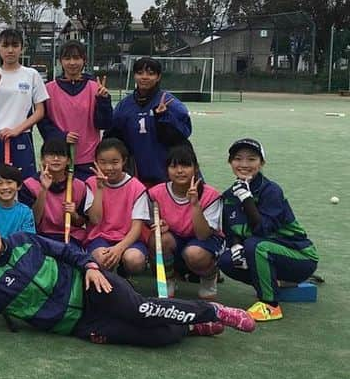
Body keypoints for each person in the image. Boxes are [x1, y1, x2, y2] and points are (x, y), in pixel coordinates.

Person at [0, 214, 256, 345]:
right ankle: (192, 327)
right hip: (79, 325)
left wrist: (91, 267)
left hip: (91, 288)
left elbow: (67, 251)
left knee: (140, 310)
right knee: (162, 337)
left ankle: (214, 312)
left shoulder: (22, 239)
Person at [217, 138, 319, 322]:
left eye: (252, 159)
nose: (244, 164)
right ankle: (276, 283)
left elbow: (262, 229)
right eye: (238, 159)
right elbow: (232, 232)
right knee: (226, 260)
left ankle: (270, 304)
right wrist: (235, 247)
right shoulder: (229, 195)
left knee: (256, 246)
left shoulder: (271, 191)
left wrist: (246, 198)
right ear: (230, 162)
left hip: (300, 256)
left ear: (262, 163)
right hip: (266, 252)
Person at [147, 143, 224, 299]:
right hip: (177, 238)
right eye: (174, 166)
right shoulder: (156, 193)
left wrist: (195, 204)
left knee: (194, 253)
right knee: (159, 240)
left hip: (205, 241)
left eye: (185, 165)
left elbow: (203, 235)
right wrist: (159, 224)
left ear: (195, 168)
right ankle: (168, 281)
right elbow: (149, 219)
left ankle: (209, 278)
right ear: (167, 170)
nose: (180, 171)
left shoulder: (211, 195)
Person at [107, 57, 192, 186]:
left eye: (150, 73)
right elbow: (113, 138)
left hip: (166, 177)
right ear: (134, 76)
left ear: (158, 77)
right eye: (140, 73)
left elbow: (182, 136)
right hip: (136, 177)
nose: (144, 77)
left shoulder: (171, 103)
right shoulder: (124, 106)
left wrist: (164, 117)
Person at [0, 28, 48, 180]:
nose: (10, 50)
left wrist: (16, 130)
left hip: (22, 136)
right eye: (5, 45)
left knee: (24, 183)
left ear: (22, 48)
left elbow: (40, 111)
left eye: (15, 45)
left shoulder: (32, 75)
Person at [38, 41, 113, 180]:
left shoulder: (95, 88)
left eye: (77, 58)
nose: (72, 63)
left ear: (84, 60)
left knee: (85, 199)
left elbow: (104, 124)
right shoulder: (48, 89)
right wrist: (60, 136)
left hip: (88, 158)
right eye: (67, 58)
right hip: (58, 159)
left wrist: (103, 101)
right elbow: (42, 121)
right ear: (60, 61)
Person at [83, 138, 149, 277]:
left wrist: (119, 249)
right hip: (100, 237)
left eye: (114, 162)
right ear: (96, 162)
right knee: (102, 258)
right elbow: (95, 220)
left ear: (123, 161)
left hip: (128, 238)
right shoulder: (90, 183)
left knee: (134, 259)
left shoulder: (136, 187)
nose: (109, 168)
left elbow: (137, 228)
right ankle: (109, 284)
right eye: (103, 162)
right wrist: (100, 189)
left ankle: (124, 273)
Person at [21, 138, 88, 243]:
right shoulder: (29, 185)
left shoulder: (79, 186)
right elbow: (33, 221)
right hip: (41, 238)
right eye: (51, 155)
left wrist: (74, 214)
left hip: (70, 237)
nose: (56, 159)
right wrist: (43, 189)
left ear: (69, 161)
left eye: (61, 155)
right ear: (42, 159)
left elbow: (80, 222)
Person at [0, 163, 36, 238]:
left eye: (9, 182)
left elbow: (29, 239)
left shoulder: (26, 212)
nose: (5, 187)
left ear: (19, 186)